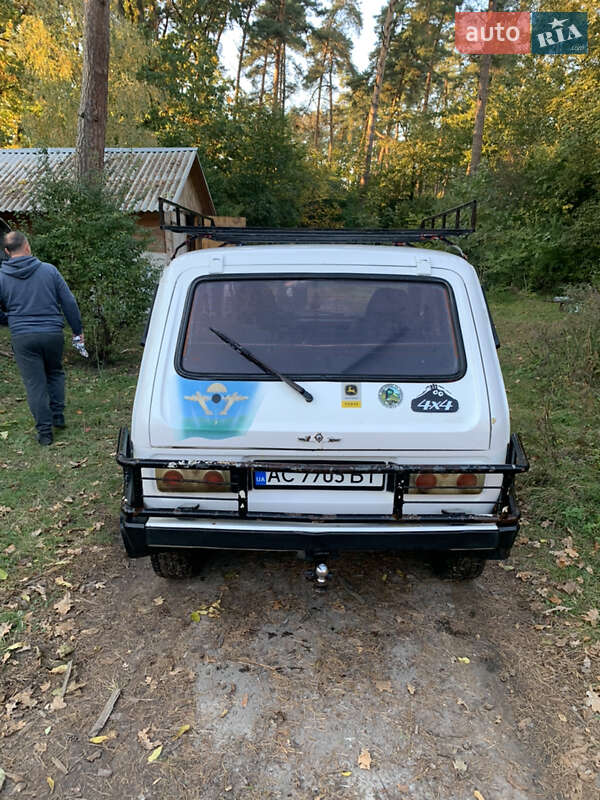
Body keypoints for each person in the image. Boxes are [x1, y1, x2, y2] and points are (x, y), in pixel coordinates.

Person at [0, 231, 83, 445]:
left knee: (34, 383)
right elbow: (69, 302)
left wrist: (9, 319)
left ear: (7, 252)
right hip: (52, 333)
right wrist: (77, 329)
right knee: (55, 372)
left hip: (22, 336)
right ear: (27, 247)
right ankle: (58, 416)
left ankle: (45, 433)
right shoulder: (49, 270)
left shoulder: (1, 277)